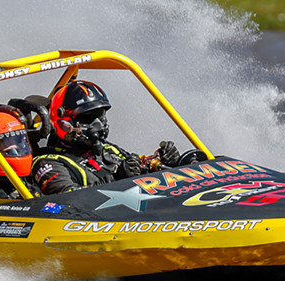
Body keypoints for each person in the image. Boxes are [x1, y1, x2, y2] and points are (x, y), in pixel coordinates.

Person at [31, 80, 181, 195]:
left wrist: (165, 160)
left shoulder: (107, 148)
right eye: (88, 117)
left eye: (100, 115)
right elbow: (66, 201)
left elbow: (138, 163)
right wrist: (117, 179)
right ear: (64, 123)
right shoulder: (48, 162)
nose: (97, 124)